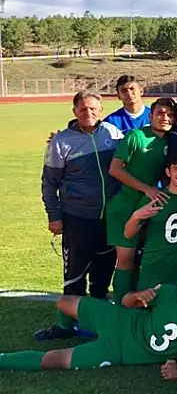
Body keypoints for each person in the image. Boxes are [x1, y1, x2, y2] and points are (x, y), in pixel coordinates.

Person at [1, 259, 177, 378]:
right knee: (63, 302)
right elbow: (125, 302)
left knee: (53, 360)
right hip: (119, 319)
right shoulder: (169, 291)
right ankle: (69, 329)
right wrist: (138, 296)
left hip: (120, 350)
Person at [36, 90, 122, 340]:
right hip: (77, 218)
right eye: (83, 109)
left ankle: (95, 325)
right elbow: (49, 183)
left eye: (93, 108)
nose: (88, 113)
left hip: (109, 218)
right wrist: (53, 215)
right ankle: (66, 326)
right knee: (74, 275)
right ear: (74, 111)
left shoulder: (113, 134)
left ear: (101, 110)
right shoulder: (61, 142)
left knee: (103, 274)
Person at [107, 97, 177, 304]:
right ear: (151, 115)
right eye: (160, 113)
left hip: (151, 205)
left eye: (170, 115)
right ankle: (121, 305)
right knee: (125, 260)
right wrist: (146, 188)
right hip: (125, 206)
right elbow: (115, 169)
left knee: (144, 258)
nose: (165, 118)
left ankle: (138, 300)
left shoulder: (170, 140)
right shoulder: (136, 136)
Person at [123, 156, 177, 290]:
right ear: (168, 172)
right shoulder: (155, 197)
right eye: (176, 169)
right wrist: (136, 216)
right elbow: (128, 233)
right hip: (154, 266)